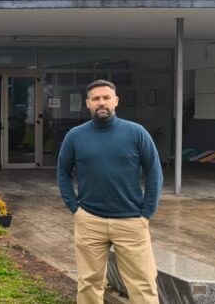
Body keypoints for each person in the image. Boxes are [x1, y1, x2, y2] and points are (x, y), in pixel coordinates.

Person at [57, 79, 162, 304]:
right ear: (87, 103)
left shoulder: (136, 133)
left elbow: (154, 172)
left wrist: (146, 214)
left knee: (143, 284)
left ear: (116, 101)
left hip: (131, 221)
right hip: (89, 221)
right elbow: (63, 173)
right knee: (89, 283)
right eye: (96, 98)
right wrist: (75, 209)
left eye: (106, 97)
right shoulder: (75, 136)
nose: (101, 102)